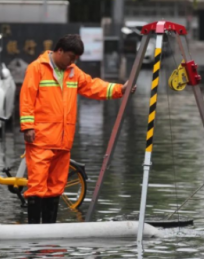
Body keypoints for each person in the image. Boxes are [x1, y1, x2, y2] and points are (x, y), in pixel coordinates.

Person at [19, 34, 136, 224]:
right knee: (37, 186)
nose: (72, 61)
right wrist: (28, 127)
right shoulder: (37, 68)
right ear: (59, 51)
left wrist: (119, 90)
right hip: (41, 139)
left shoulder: (72, 71)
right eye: (70, 57)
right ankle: (34, 232)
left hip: (63, 141)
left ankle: (49, 233)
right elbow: (27, 99)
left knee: (56, 187)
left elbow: (92, 86)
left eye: (75, 59)